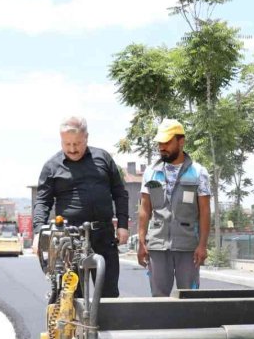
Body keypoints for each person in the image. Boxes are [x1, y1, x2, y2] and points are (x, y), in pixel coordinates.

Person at [33, 116, 129, 298]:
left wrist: (123, 224)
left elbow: (120, 193)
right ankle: (73, 325)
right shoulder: (51, 166)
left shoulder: (103, 158)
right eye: (66, 144)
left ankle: (105, 326)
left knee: (108, 293)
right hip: (69, 239)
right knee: (71, 294)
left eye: (77, 143)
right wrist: (38, 233)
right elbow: (42, 202)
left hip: (103, 235)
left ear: (87, 137)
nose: (72, 149)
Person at [137, 119, 211, 297]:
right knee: (159, 298)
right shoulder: (150, 172)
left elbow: (205, 212)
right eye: (160, 143)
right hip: (157, 246)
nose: (162, 147)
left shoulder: (199, 172)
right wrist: (141, 242)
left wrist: (202, 245)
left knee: (189, 297)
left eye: (167, 142)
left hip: (188, 247)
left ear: (181, 141)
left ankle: (189, 326)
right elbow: (145, 209)